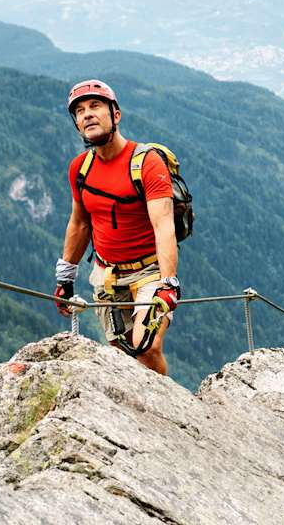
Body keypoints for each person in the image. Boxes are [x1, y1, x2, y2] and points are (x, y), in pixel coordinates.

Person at [53, 79, 181, 375]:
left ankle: (170, 410)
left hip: (150, 272)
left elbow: (164, 227)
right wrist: (66, 276)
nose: (87, 115)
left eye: (95, 106)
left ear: (116, 114)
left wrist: (168, 283)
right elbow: (80, 223)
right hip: (107, 276)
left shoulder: (147, 163)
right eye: (80, 111)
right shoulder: (80, 169)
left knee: (147, 347)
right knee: (121, 354)